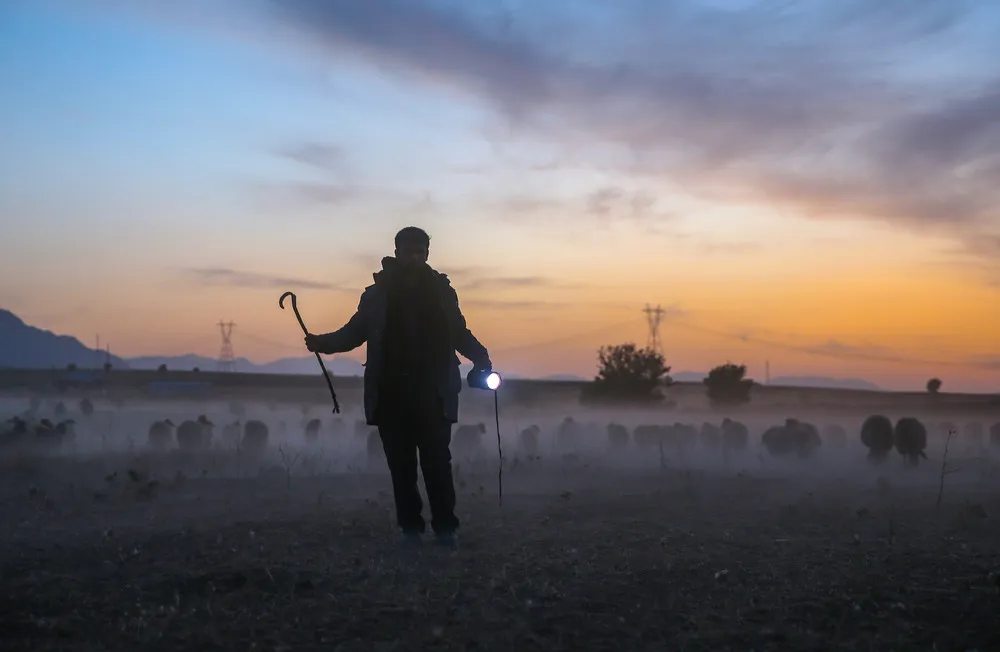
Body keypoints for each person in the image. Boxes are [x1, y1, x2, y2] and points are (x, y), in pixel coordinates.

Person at [305, 226, 492, 548]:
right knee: (401, 466)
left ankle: (446, 528)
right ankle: (411, 529)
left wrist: (481, 357)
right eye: (409, 252)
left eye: (420, 252)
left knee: (437, 463)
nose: (415, 257)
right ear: (397, 252)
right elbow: (354, 332)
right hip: (391, 393)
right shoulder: (376, 296)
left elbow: (458, 331)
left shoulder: (443, 292)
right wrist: (323, 343)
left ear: (427, 254)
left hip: (434, 393)